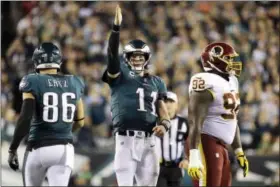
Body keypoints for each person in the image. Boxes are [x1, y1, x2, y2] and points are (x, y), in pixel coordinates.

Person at [102, 5, 171, 186]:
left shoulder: (157, 81)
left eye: (141, 56)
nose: (138, 59)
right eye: (134, 56)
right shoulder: (120, 74)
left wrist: (164, 125)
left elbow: (164, 113)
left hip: (150, 141)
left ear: (147, 58)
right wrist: (116, 29)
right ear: (127, 58)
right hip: (125, 139)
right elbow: (111, 55)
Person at [8, 42, 85, 186]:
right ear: (59, 61)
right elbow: (80, 121)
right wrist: (65, 131)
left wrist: (13, 148)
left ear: (36, 61)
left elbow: (25, 118)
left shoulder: (32, 80)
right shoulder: (74, 82)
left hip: (38, 147)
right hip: (63, 148)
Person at [187, 42, 249, 187]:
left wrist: (239, 151)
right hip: (205, 141)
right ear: (214, 60)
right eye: (229, 59)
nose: (233, 63)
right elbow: (194, 121)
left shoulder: (232, 82)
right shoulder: (205, 81)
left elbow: (231, 120)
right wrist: (194, 155)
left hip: (222, 146)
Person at [156, 91, 189, 187]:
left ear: (177, 105)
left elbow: (190, 143)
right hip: (158, 167)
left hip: (177, 167)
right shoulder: (155, 121)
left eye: (171, 101)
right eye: (165, 101)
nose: (168, 104)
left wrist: (187, 158)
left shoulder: (184, 123)